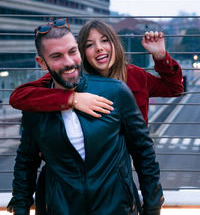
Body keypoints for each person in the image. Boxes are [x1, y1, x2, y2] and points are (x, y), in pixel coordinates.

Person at [7, 20, 164, 215]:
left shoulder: (115, 91)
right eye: (56, 56)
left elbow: (144, 153)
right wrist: (20, 207)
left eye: (72, 52)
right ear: (42, 63)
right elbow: (26, 161)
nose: (69, 62)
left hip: (117, 208)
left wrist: (153, 207)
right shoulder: (36, 105)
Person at [9, 20, 183, 124]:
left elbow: (175, 88)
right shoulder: (75, 77)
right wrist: (72, 99)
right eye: (90, 44)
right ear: (82, 53)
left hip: (125, 165)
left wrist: (161, 56)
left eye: (105, 40)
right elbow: (19, 96)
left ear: (114, 44)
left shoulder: (135, 75)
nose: (99, 48)